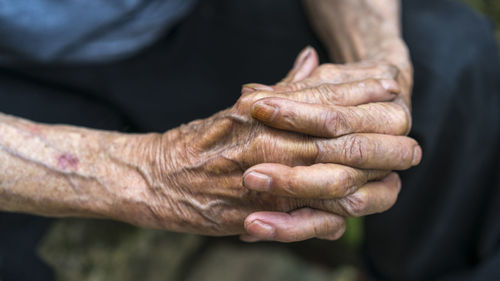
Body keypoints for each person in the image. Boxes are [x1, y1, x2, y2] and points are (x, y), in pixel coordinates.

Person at [0, 1, 498, 281]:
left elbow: (380, 69)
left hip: (180, 18)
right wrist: (144, 174)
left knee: (448, 64)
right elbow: (148, 174)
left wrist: (376, 68)